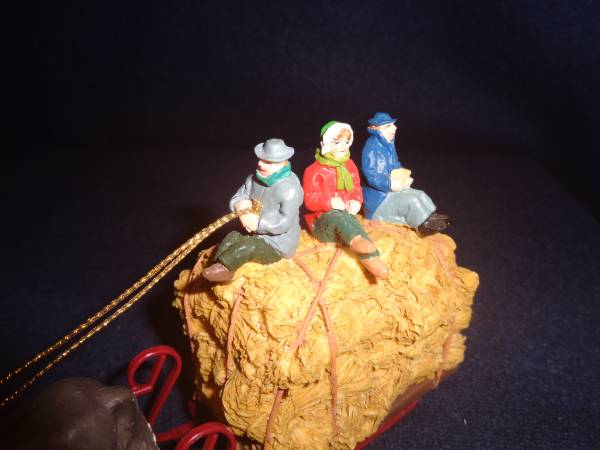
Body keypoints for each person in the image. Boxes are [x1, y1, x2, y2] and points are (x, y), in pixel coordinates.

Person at [202, 138, 303, 282]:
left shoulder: (290, 189)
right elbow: (240, 195)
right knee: (231, 237)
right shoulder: (253, 179)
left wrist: (257, 224)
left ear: (282, 163)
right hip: (250, 231)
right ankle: (218, 266)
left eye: (268, 162)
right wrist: (239, 204)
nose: (260, 163)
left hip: (276, 243)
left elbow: (284, 222)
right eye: (261, 159)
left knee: (248, 247)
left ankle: (226, 268)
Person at [303, 121, 389, 279]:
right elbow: (309, 200)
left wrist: (356, 200)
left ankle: (370, 258)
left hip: (346, 215)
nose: (343, 146)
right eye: (337, 142)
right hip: (321, 222)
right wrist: (329, 202)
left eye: (346, 141)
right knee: (341, 218)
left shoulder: (349, 165)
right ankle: (359, 244)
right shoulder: (313, 171)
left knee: (348, 220)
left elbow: (356, 187)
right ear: (325, 144)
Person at [361, 112, 450, 235]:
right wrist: (392, 185)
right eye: (388, 126)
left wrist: (404, 177)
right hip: (379, 199)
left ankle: (430, 217)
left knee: (420, 194)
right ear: (377, 129)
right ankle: (423, 226)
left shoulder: (388, 144)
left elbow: (396, 164)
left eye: (393, 124)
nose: (394, 128)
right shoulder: (372, 148)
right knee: (412, 200)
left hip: (390, 190)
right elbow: (372, 176)